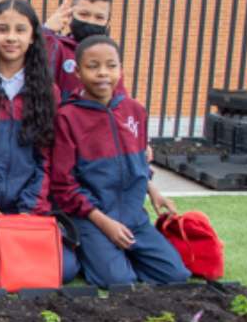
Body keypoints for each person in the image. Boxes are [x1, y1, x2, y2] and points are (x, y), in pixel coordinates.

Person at [0, 0, 80, 284]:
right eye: (3, 29)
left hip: (29, 201)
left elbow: (46, 159)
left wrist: (29, 210)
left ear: (33, 36)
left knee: (67, 269)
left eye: (20, 30)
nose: (11, 37)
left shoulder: (48, 90)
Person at [50, 35, 191, 288]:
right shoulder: (67, 117)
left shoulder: (135, 111)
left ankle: (118, 254)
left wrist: (152, 190)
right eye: (93, 66)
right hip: (92, 216)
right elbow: (63, 186)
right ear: (78, 73)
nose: (103, 73)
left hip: (133, 217)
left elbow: (137, 162)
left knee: (175, 275)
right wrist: (104, 222)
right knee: (118, 281)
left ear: (121, 70)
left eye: (111, 65)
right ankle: (90, 251)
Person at [42, 0, 121, 100]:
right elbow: (34, 67)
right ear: (71, 15)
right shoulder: (58, 47)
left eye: (99, 17)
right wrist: (45, 32)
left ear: (107, 21)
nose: (91, 21)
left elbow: (119, 97)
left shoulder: (110, 54)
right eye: (84, 14)